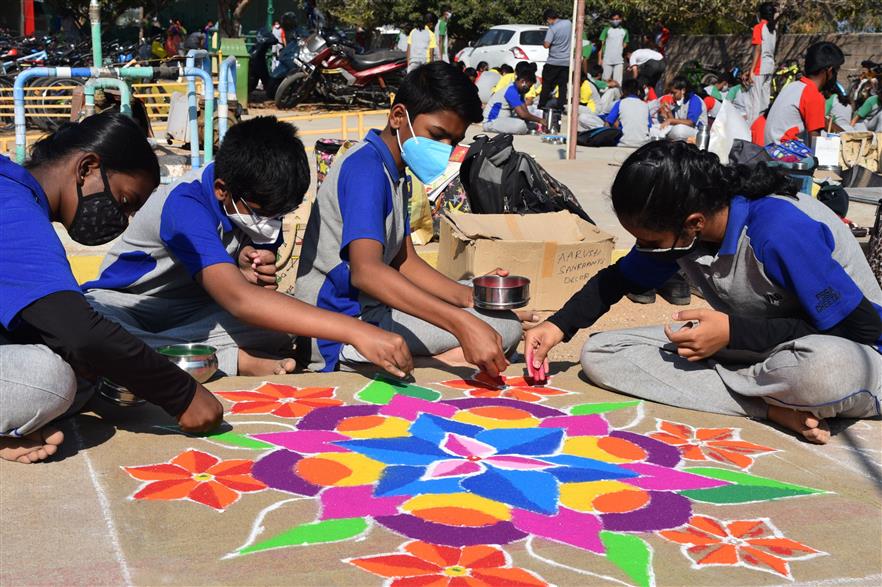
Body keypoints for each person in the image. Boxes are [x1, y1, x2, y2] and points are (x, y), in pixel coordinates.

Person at [525, 141, 882, 445]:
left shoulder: (780, 230)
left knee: (821, 371)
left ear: (693, 223)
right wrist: (557, 326)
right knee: (602, 352)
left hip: (853, 351)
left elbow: (860, 330)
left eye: (649, 240)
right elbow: (618, 279)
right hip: (764, 350)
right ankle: (769, 405)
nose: (642, 248)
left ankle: (767, 388)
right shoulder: (685, 236)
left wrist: (734, 333)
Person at [84, 117, 412, 379]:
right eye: (262, 212)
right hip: (125, 305)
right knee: (102, 342)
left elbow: (250, 292)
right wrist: (357, 332)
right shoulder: (185, 204)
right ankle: (227, 359)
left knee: (280, 329)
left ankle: (189, 358)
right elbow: (240, 300)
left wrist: (248, 272)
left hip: (195, 314)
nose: (270, 223)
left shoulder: (257, 201)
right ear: (222, 190)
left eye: (280, 215)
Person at [0, 113, 224, 464]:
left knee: (81, 371)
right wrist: (181, 394)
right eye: (124, 202)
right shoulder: (13, 209)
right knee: (50, 379)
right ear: (87, 168)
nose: (121, 221)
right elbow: (78, 331)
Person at [294, 63, 523, 376]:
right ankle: (359, 359)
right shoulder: (367, 171)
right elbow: (367, 273)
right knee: (505, 329)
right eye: (437, 135)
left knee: (489, 308)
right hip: (345, 321)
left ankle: (428, 356)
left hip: (372, 306)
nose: (445, 150)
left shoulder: (393, 168)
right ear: (398, 116)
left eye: (452, 142)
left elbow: (404, 261)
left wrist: (469, 298)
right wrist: (462, 322)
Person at [765, 41, 843, 144]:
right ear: (829, 70)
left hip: (771, 150)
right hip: (785, 157)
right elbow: (816, 143)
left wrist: (844, 134)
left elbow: (821, 120)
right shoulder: (813, 95)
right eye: (836, 71)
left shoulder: (794, 86)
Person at [484, 67, 544, 134]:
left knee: (530, 124)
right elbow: (522, 114)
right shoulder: (511, 90)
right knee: (521, 125)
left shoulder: (520, 92)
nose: (529, 89)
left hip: (504, 120)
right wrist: (540, 120)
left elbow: (525, 111)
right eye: (529, 86)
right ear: (522, 82)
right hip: (492, 122)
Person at [748, 2, 778, 119]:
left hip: (760, 68)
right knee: (764, 101)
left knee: (754, 101)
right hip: (770, 67)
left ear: (760, 14)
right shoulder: (773, 30)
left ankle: (752, 130)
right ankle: (763, 125)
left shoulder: (758, 27)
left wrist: (751, 70)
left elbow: (757, 49)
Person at [540, 8, 572, 110]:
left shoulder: (552, 29)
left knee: (547, 84)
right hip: (566, 62)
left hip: (553, 62)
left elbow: (546, 45)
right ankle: (560, 106)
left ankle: (542, 105)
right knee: (562, 86)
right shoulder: (568, 23)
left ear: (549, 18)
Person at [605, 78, 651, 147]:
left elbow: (607, 123)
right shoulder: (645, 105)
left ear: (623, 92)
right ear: (638, 92)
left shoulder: (620, 103)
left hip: (624, 142)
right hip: (643, 144)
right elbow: (649, 126)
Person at [660, 76, 707, 141]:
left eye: (674, 93)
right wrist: (669, 112)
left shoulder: (694, 100)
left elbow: (690, 122)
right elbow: (675, 121)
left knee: (679, 130)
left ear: (683, 90)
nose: (672, 95)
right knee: (659, 127)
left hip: (698, 132)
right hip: (683, 130)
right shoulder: (679, 100)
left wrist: (670, 120)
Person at [598, 11, 628, 85]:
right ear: (610, 20)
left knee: (618, 83)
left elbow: (625, 45)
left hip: (619, 61)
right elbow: (601, 46)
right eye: (613, 19)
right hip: (607, 60)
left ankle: (616, 96)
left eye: (617, 19)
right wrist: (600, 59)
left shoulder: (624, 31)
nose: (615, 21)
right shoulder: (606, 30)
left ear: (620, 19)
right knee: (605, 82)